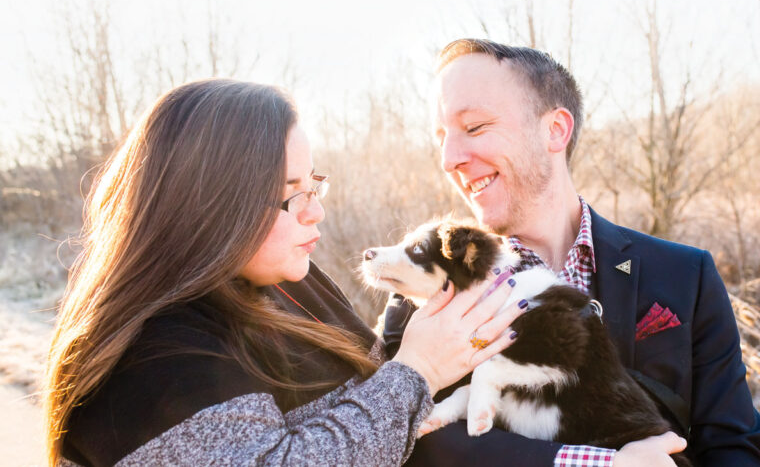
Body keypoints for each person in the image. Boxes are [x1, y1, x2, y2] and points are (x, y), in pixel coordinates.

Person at [43, 79, 527, 466]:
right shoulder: (151, 359)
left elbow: (375, 393)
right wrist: (417, 371)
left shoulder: (289, 278)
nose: (315, 212)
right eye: (291, 192)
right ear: (209, 207)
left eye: (314, 184)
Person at [382, 39, 760, 466]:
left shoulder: (684, 275)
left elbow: (734, 448)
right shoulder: (425, 292)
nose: (449, 158)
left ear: (555, 130)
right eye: (441, 138)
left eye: (473, 128)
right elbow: (416, 445)